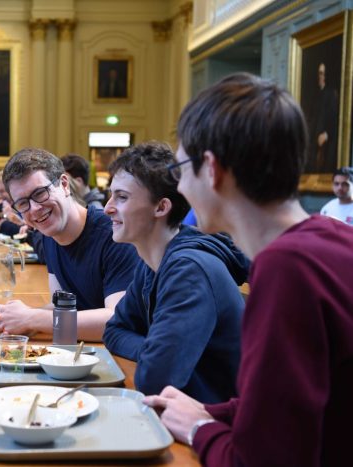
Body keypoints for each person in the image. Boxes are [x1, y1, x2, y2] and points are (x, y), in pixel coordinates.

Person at [142, 73, 353, 466]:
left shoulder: (286, 268)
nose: (180, 186)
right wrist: (213, 412)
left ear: (211, 168)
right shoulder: (333, 237)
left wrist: (198, 429)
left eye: (180, 169)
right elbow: (299, 400)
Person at [102, 141, 247, 403]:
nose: (107, 207)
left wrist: (153, 355)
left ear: (161, 207)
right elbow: (113, 331)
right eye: (110, 195)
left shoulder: (189, 271)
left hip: (217, 425)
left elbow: (155, 381)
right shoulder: (152, 261)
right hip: (185, 411)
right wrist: (152, 350)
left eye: (121, 197)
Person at [0, 148, 140, 341]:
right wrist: (15, 319)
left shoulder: (114, 235)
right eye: (22, 204)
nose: (35, 209)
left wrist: (32, 318)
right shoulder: (49, 234)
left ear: (64, 184)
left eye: (40, 193)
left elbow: (117, 320)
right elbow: (62, 306)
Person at [307, 62, 339, 173]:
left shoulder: (331, 94)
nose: (320, 76)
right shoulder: (315, 95)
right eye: (319, 73)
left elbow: (334, 119)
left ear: (326, 75)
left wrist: (326, 134)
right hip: (313, 139)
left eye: (322, 73)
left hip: (325, 142)